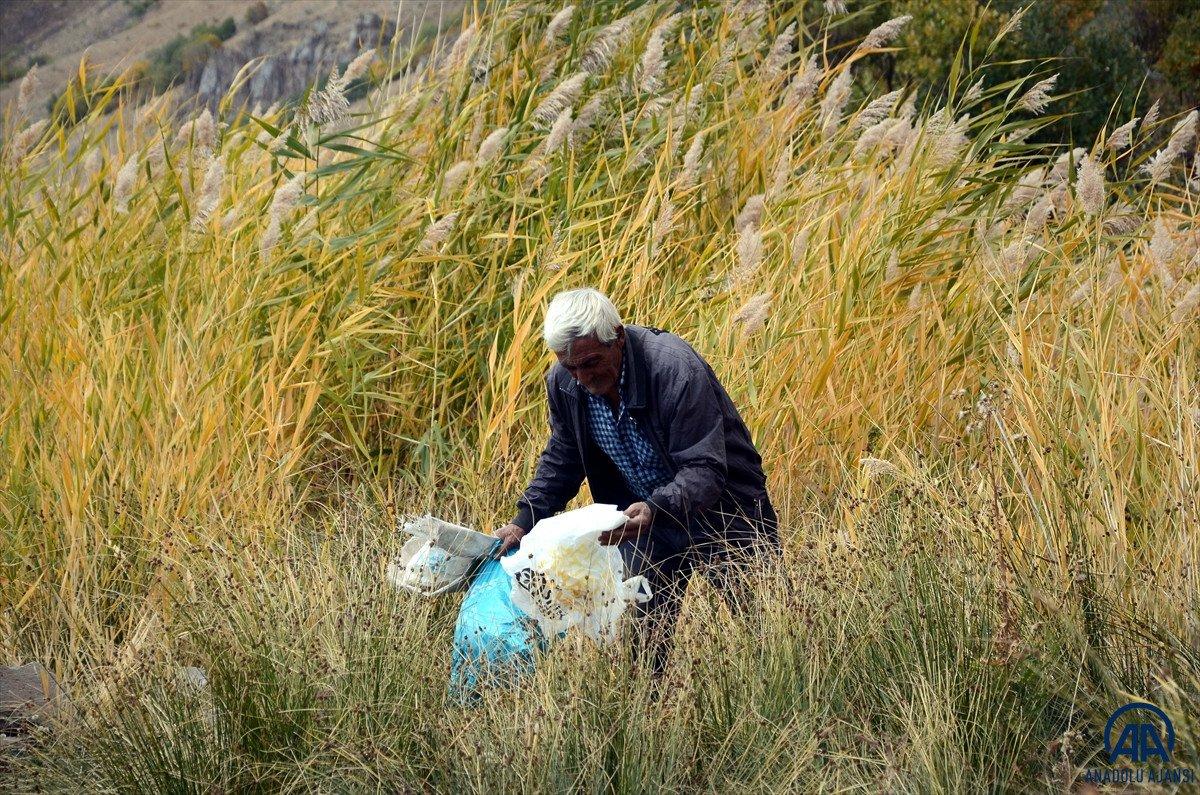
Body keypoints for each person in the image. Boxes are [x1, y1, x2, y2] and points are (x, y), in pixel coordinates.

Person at [493, 287, 781, 677]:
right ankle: (652, 723)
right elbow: (563, 457)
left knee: (769, 630)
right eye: (570, 366)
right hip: (641, 523)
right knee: (643, 646)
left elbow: (705, 469)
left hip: (724, 511)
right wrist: (524, 520)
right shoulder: (564, 382)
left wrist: (655, 508)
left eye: (591, 362)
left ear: (618, 335)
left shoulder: (673, 369)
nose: (582, 377)